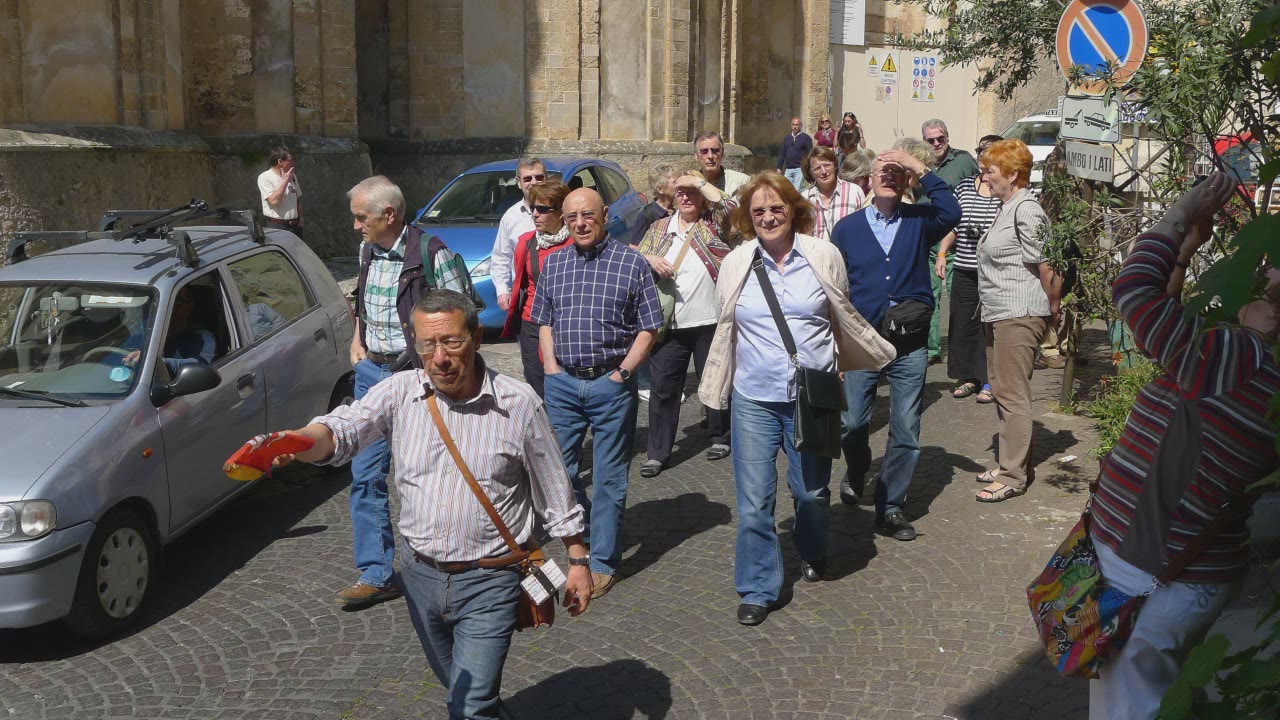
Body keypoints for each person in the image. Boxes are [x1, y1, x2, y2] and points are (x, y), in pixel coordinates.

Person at [260, 291, 593, 720]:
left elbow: (555, 488)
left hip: (491, 579)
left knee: (470, 703)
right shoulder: (399, 392)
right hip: (419, 576)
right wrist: (297, 442)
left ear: (476, 338)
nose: (439, 358)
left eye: (451, 342)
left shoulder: (520, 404)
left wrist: (577, 560)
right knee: (460, 688)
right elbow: (343, 430)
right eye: (427, 344)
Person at [1088, 172, 1278, 719]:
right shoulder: (1237, 366)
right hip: (1193, 565)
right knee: (1160, 696)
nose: (1266, 271)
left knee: (1129, 707)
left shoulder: (1243, 358)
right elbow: (1172, 351)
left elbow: (1133, 294)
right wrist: (1185, 256)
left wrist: (1177, 218)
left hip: (1151, 566)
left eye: (1276, 268)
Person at [698, 172, 895, 625]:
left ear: (793, 209)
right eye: (759, 211)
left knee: (811, 494)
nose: (768, 217)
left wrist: (838, 366)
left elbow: (840, 314)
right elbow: (726, 324)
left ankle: (812, 546)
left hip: (812, 395)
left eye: (776, 208)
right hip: (754, 397)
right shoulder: (737, 262)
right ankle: (757, 587)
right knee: (753, 503)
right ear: (748, 218)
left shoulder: (822, 255)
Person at [341, 175, 471, 609]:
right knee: (365, 475)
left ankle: (444, 560)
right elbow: (364, 302)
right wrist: (357, 341)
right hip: (370, 372)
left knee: (430, 470)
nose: (356, 225)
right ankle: (376, 573)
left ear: (389, 214)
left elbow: (461, 320)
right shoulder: (367, 250)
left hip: (416, 376)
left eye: (362, 217)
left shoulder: (431, 253)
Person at [530, 188, 663, 600]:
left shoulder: (632, 263)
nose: (580, 223)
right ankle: (582, 534)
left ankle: (603, 561)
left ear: (604, 214)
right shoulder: (554, 264)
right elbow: (544, 320)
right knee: (559, 472)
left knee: (609, 478)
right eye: (572, 217)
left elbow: (650, 326)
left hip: (610, 385)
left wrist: (623, 373)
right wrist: (551, 369)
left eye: (587, 215)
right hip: (563, 385)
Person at [830, 149, 960, 541]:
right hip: (862, 341)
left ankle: (890, 507)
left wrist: (919, 167)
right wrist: (835, 345)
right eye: (881, 171)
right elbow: (836, 289)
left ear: (905, 181)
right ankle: (857, 469)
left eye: (896, 172)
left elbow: (952, 211)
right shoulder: (847, 229)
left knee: (906, 428)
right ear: (868, 181)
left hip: (909, 341)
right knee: (853, 424)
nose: (888, 176)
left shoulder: (919, 220)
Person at [973, 139, 1062, 502]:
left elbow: (1047, 265)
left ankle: (1013, 476)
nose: (985, 177)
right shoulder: (1006, 207)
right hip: (999, 311)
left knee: (1012, 395)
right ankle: (1010, 463)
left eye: (990, 171)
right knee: (1002, 390)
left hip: (1019, 313)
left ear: (1013, 174)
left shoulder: (1026, 209)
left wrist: (1054, 309)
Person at [636, 175, 733, 478]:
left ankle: (720, 436)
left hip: (711, 320)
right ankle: (657, 454)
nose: (686, 197)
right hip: (671, 324)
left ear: (702, 196)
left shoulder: (713, 223)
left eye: (692, 192)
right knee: (663, 390)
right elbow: (633, 256)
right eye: (681, 192)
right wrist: (650, 258)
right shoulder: (659, 228)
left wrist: (699, 182)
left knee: (715, 381)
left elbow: (732, 206)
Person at [937, 155, 1001, 404]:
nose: (982, 156)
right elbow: (954, 225)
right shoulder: (965, 185)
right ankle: (967, 377)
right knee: (962, 324)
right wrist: (942, 253)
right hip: (964, 267)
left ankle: (988, 379)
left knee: (989, 326)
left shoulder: (1002, 188)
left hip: (992, 270)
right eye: (979, 151)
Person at [500, 180, 573, 398]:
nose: (534, 214)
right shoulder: (526, 243)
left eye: (542, 209)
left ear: (560, 212)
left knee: (566, 385)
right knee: (537, 386)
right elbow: (521, 283)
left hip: (567, 323)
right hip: (532, 323)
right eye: (533, 208)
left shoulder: (577, 243)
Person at [922, 120, 979, 363]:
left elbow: (979, 192)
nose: (937, 143)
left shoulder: (964, 161)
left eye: (940, 138)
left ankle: (959, 351)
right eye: (931, 140)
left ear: (947, 136)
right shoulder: (919, 163)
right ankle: (931, 350)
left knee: (959, 301)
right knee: (929, 299)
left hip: (959, 245)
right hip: (927, 244)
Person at [492, 158, 546, 314]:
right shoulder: (510, 217)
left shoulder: (562, 211)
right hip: (525, 294)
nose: (534, 182)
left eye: (539, 177)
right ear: (519, 183)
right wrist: (502, 290)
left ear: (546, 179)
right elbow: (501, 257)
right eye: (527, 179)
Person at [121, 285, 215, 374]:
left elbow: (202, 366)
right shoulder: (135, 339)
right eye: (156, 302)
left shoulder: (201, 338)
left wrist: (158, 363)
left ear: (189, 305)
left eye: (177, 301)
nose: (171, 306)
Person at [800, 146, 865, 242]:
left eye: (827, 165)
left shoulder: (854, 192)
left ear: (835, 165)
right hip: (816, 251)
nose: (823, 171)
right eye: (817, 168)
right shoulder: (805, 199)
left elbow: (863, 227)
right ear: (811, 173)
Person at [620, 165, 678, 247]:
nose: (680, 185)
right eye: (675, 182)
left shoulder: (677, 209)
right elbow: (634, 247)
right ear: (660, 189)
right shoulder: (647, 215)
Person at [257, 147, 304, 240]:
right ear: (280, 162)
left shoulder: (292, 176)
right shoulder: (265, 177)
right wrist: (285, 182)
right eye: (290, 160)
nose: (292, 163)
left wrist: (301, 220)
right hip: (278, 226)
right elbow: (274, 201)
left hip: (295, 226)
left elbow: (297, 200)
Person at [694, 131, 750, 198]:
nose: (710, 156)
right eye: (704, 151)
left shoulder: (742, 183)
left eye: (715, 150)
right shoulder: (690, 184)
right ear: (696, 155)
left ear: (722, 153)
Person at [776, 116, 813, 191]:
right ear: (791, 125)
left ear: (800, 126)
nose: (795, 127)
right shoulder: (787, 138)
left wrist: (808, 168)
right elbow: (782, 153)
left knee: (796, 191)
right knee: (786, 191)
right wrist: (779, 168)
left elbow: (810, 154)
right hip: (788, 170)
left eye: (797, 125)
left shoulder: (806, 138)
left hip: (799, 169)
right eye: (793, 124)